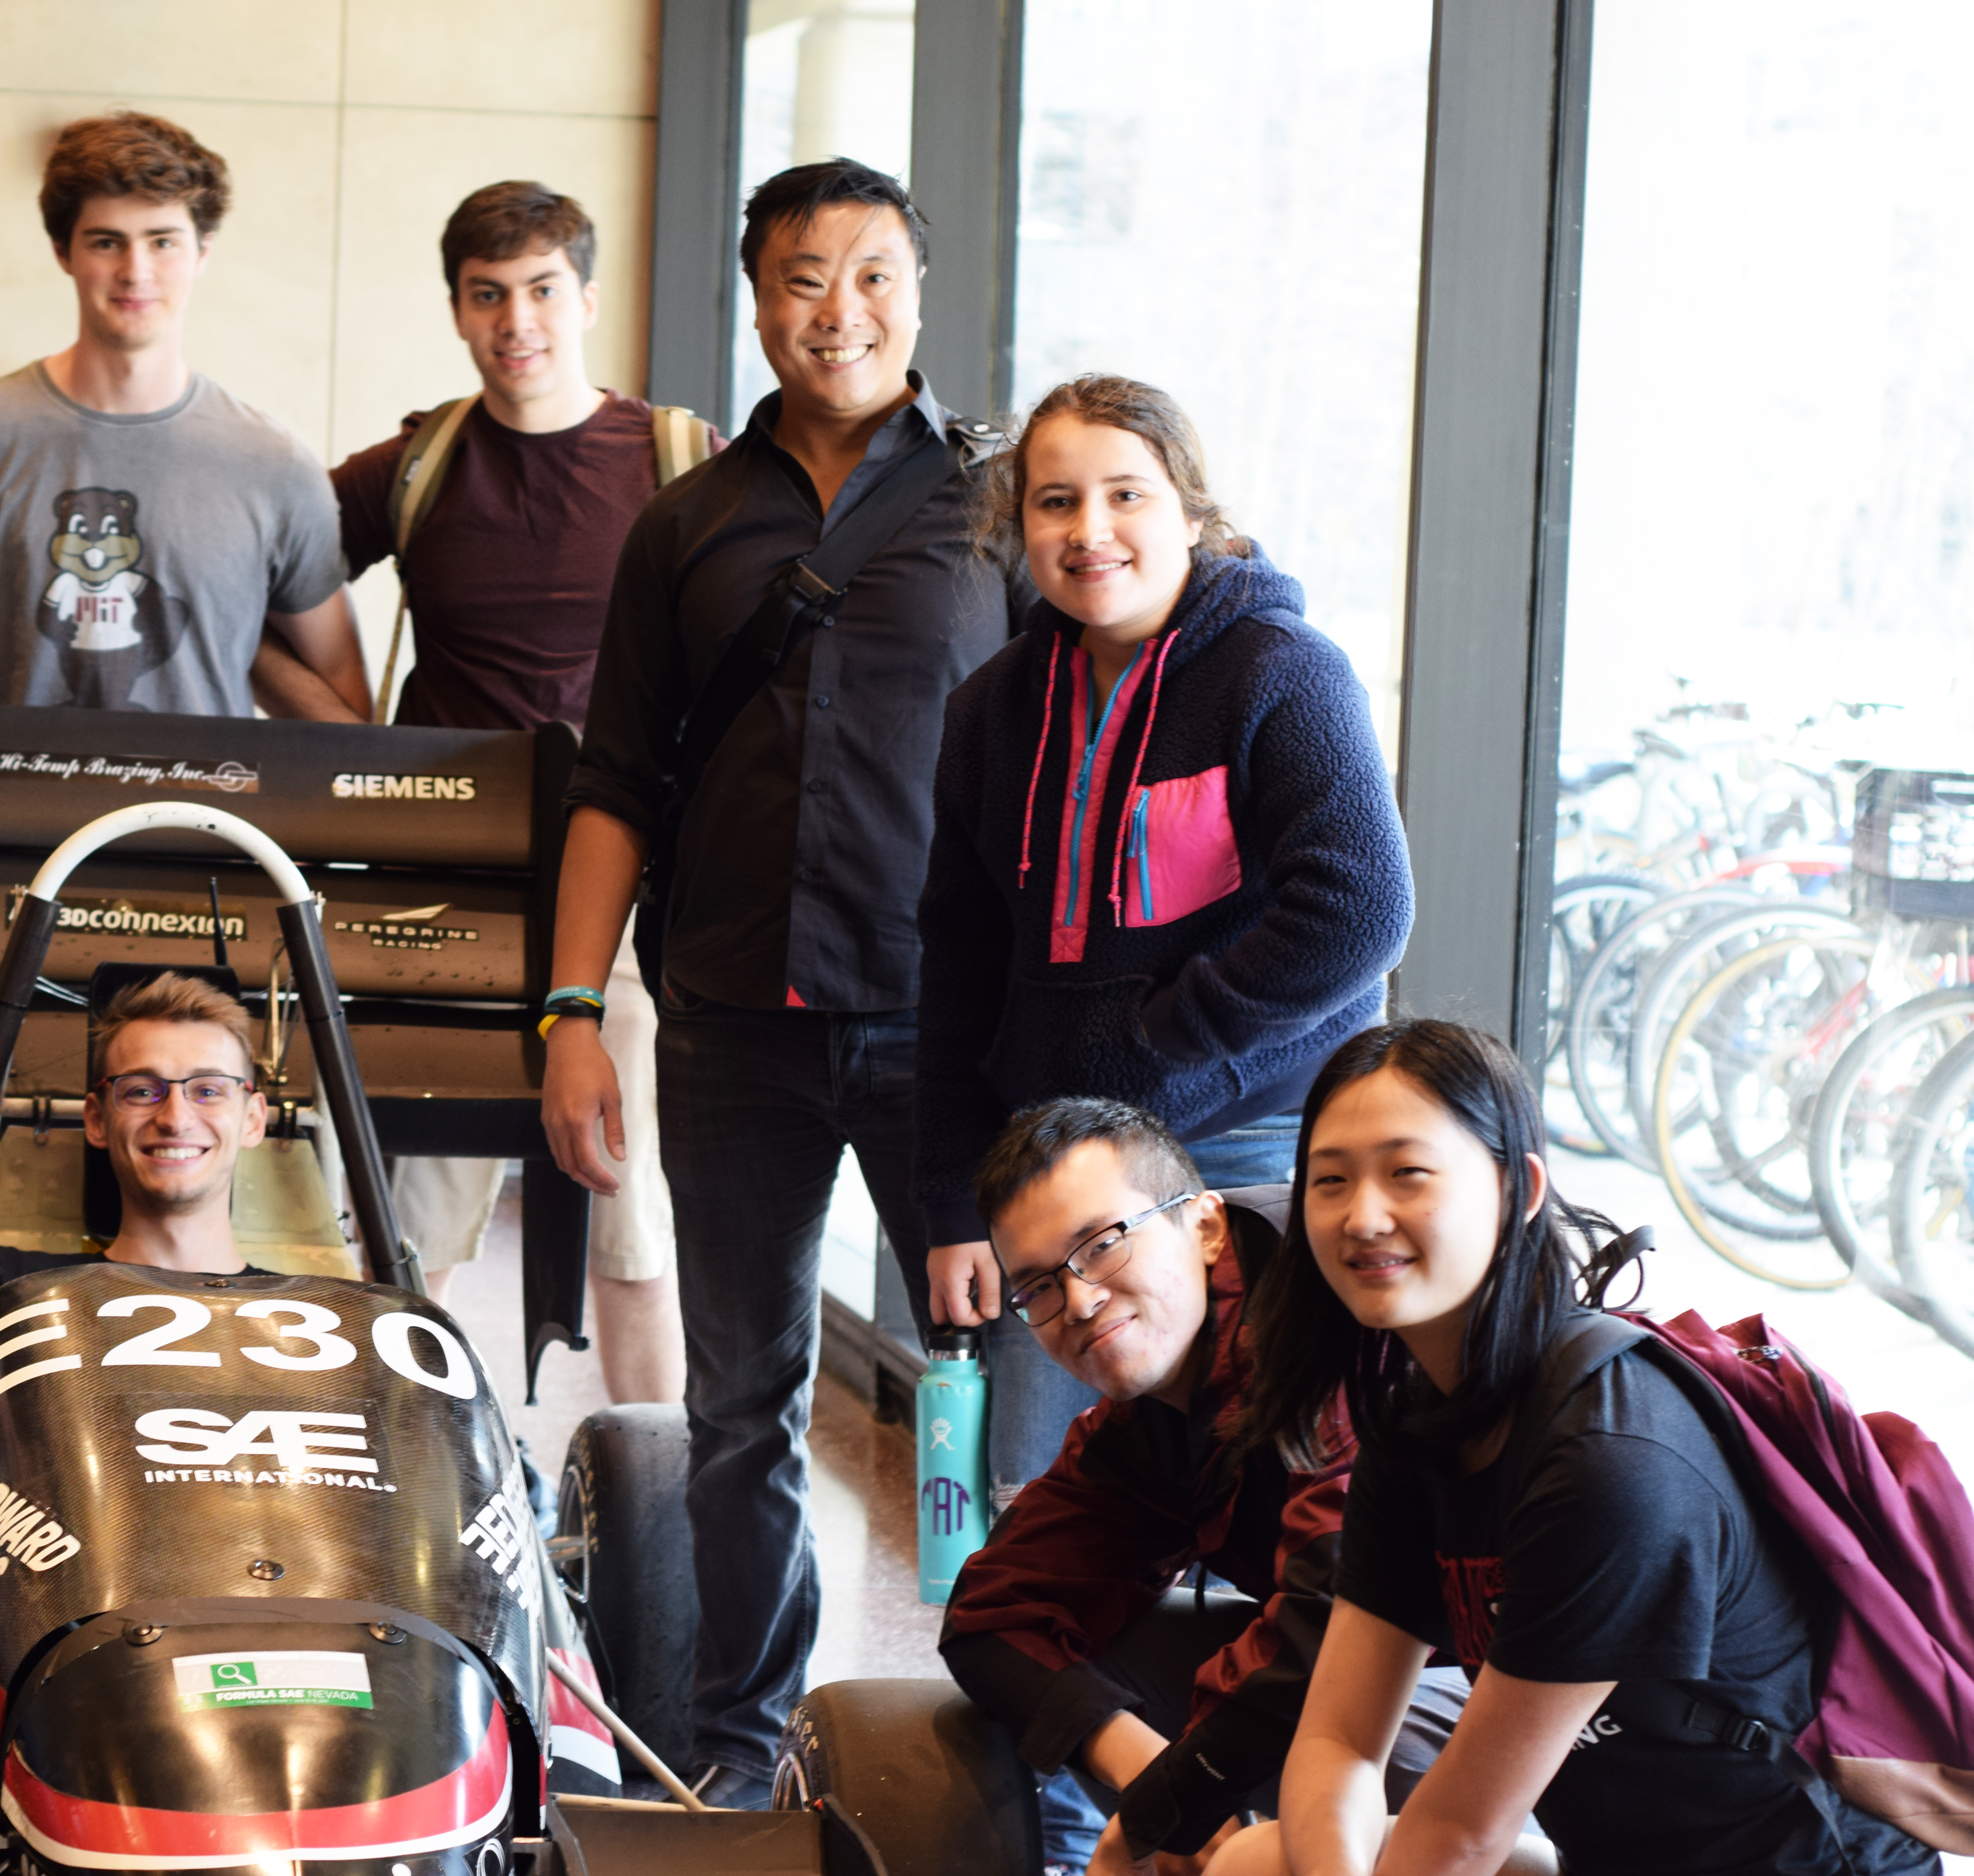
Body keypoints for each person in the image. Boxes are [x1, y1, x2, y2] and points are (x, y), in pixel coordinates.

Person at [542, 156, 1022, 1806]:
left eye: (875, 274)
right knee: (745, 1404)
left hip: (943, 1035)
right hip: (735, 1028)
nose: (842, 309)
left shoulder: (997, 511)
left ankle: (1009, 1728)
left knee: (989, 1384)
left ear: (919, 294)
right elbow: (617, 781)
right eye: (806, 277)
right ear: (757, 302)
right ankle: (739, 1753)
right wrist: (568, 1018)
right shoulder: (686, 523)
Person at [1211, 1019, 1930, 1876]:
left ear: (1519, 1191)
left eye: (1408, 1173)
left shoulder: (1610, 1460)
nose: (1363, 1216)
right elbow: (1337, 1741)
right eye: (1330, 1181)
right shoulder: (1421, 1423)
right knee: (1258, 1863)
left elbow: (1465, 1836)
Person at [914, 372, 1411, 1582]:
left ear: (1190, 510)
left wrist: (1159, 1041)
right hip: (1063, 1176)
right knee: (1074, 1513)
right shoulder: (992, 710)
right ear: (1018, 531)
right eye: (1055, 503)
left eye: (1125, 494)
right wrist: (946, 1199)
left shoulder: (1280, 670)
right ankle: (1092, 1757)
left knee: (1284, 1496)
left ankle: (1284, 1751)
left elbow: (1359, 906)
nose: (1090, 532)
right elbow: (958, 964)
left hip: (1258, 1149)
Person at [328, 179, 691, 1403]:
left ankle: (660, 1496)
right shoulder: (419, 466)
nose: (516, 319)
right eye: (488, 296)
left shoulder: (677, 460)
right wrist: (341, 734)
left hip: (634, 880)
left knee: (627, 1202)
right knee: (410, 1218)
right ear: (458, 311)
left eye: (541, 288)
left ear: (586, 297)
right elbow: (265, 575)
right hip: (447, 886)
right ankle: (402, 1472)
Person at [941, 1097, 1472, 1876]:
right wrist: (1146, 1770)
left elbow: (1338, 1606)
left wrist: (1173, 1800)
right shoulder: (1144, 1417)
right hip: (1365, 1667)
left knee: (1346, 1747)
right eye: (1039, 1288)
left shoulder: (1328, 1316)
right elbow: (989, 1618)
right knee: (1086, 1659)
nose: (1080, 1302)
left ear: (1206, 1226)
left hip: (1532, 1686)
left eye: (1102, 1245)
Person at [0, 110, 366, 719]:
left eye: (163, 242)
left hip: (201, 811)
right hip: (6, 808)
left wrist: (232, 631)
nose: (136, 271)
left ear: (203, 252)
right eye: (107, 242)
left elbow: (343, 718)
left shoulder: (277, 465)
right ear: (63, 251)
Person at [82, 971, 267, 1274]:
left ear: (253, 1121)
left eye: (208, 1091)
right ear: (97, 1121)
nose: (176, 1120)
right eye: (141, 1092)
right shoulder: (17, 1287)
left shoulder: (312, 1313)